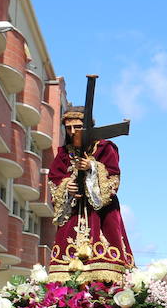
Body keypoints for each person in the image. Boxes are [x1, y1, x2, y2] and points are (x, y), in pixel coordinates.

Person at [46, 105, 136, 283]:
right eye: (69, 128)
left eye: (78, 127)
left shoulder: (105, 148)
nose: (73, 132)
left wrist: (92, 168)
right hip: (73, 214)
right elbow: (54, 179)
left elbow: (113, 179)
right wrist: (67, 186)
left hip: (101, 216)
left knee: (105, 264)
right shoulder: (64, 153)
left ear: (89, 127)